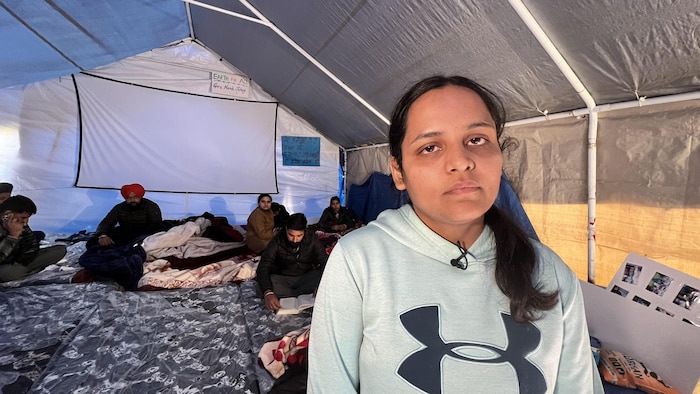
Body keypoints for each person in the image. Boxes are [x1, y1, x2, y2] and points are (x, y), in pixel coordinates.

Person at [308, 76, 604, 392]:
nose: (461, 162)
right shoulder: (360, 260)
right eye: (430, 147)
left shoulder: (551, 272)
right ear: (398, 172)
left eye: (476, 139)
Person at [256, 213, 328, 312]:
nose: (295, 240)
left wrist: (321, 285)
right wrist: (268, 292)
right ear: (286, 229)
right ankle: (301, 294)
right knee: (264, 286)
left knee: (324, 279)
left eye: (299, 235)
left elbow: (325, 261)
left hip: (305, 277)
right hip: (283, 278)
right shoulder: (277, 240)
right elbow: (264, 264)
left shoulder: (312, 239)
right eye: (291, 235)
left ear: (304, 231)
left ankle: (294, 294)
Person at [0, 195, 67, 282]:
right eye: (23, 218)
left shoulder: (20, 224)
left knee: (60, 250)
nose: (26, 222)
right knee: (6, 273)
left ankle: (21, 271)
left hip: (15, 262)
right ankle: (21, 272)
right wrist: (13, 237)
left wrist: (18, 262)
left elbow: (32, 246)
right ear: (7, 214)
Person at [87, 183, 163, 248]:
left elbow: (155, 225)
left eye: (135, 197)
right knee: (93, 242)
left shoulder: (151, 206)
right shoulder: (119, 208)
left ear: (140, 196)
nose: (132, 200)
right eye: (129, 197)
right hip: (125, 232)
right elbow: (107, 222)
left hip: (145, 234)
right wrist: (103, 235)